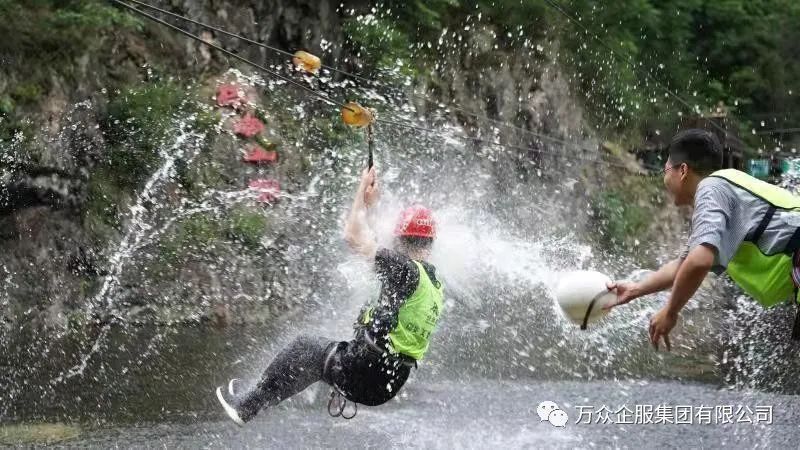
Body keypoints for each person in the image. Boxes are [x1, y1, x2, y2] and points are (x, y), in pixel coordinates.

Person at [215, 166, 444, 424]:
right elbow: (375, 250)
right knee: (317, 360)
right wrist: (369, 207)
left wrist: (361, 187)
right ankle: (256, 397)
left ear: (399, 240)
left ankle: (246, 406)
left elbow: (353, 236)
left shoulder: (403, 270)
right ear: (430, 243)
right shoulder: (431, 283)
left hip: (365, 370)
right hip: (389, 381)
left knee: (305, 347)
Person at [605, 128, 800, 350]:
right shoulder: (725, 190)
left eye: (665, 170)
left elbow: (699, 262)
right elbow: (683, 265)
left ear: (683, 170)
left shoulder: (711, 188)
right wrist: (635, 290)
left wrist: (670, 312)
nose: (664, 178)